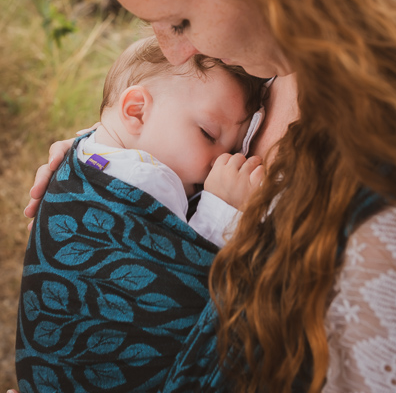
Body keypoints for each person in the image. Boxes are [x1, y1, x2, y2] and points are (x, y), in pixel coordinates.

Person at [12, 0, 396, 392]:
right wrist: (114, 181)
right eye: (153, 27)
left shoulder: (379, 192)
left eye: (180, 23)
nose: (173, 53)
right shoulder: (265, 68)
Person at [15, 35, 266, 391]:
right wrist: (223, 206)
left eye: (231, 147)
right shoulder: (152, 179)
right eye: (209, 134)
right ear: (135, 110)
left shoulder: (86, 151)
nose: (219, 161)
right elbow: (185, 267)